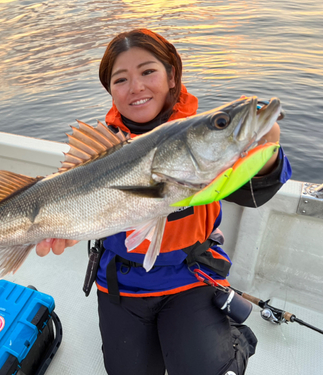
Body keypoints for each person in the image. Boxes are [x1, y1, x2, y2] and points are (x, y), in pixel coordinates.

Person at [36, 29, 292, 375]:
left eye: (148, 71)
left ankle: (236, 340)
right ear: (110, 90)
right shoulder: (99, 152)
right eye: (120, 79)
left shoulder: (201, 138)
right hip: (122, 283)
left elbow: (254, 191)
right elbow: (80, 206)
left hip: (192, 276)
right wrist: (68, 227)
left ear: (172, 76)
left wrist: (267, 155)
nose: (136, 87)